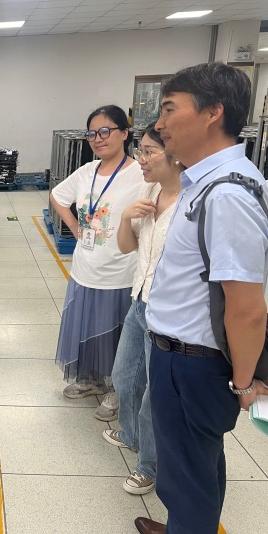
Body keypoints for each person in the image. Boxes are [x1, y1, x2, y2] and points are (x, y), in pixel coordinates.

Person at [136, 62, 268, 534]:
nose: (160, 124)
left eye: (170, 109)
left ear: (214, 112)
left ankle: (187, 524)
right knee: (195, 465)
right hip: (183, 356)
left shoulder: (227, 194)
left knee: (188, 475)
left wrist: (244, 383)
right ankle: (184, 524)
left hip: (192, 363)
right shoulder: (208, 183)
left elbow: (247, 307)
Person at [101, 122, 183, 497]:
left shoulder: (191, 203)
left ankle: (148, 466)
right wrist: (125, 217)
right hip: (139, 300)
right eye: (140, 151)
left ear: (175, 154)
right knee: (124, 376)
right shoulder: (149, 191)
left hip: (168, 315)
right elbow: (126, 246)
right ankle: (132, 435)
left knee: (155, 395)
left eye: (148, 152)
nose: (141, 159)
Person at [50, 105, 144, 419]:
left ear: (124, 133)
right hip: (85, 267)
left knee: (118, 334)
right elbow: (58, 196)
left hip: (121, 270)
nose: (98, 139)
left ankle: (118, 389)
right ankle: (91, 380)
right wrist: (75, 227)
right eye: (92, 133)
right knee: (88, 327)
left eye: (105, 131)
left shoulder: (140, 174)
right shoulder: (87, 171)